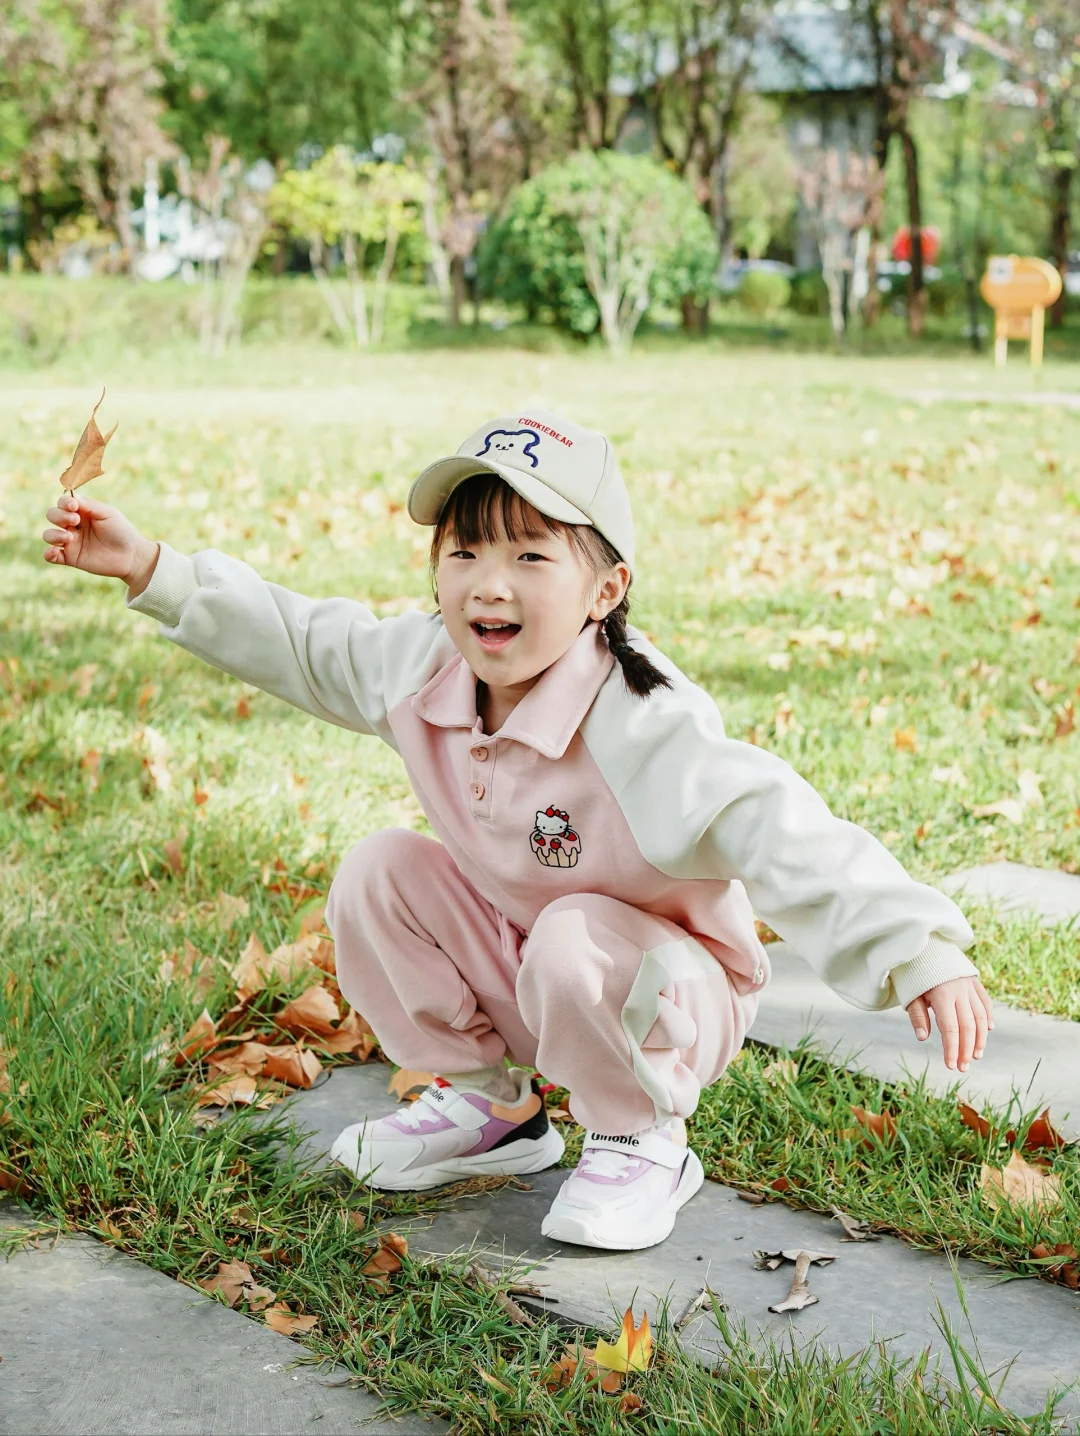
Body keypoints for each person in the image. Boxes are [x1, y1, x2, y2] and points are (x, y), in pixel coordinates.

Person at [42, 407, 994, 1253]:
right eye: (465, 553)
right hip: (537, 963)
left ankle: (640, 1136)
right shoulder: (424, 667)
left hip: (670, 996)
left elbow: (777, 824)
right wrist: (151, 569)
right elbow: (301, 642)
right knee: (380, 871)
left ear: (605, 590)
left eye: (531, 557)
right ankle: (493, 1108)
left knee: (577, 936)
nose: (488, 586)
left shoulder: (644, 722)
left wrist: (915, 949)